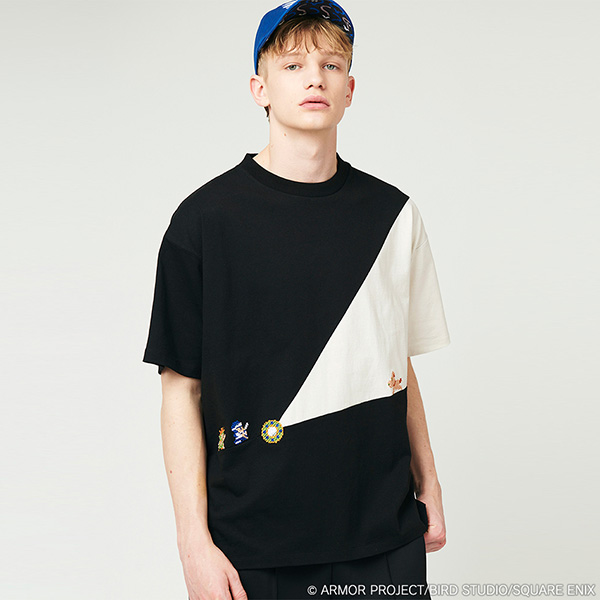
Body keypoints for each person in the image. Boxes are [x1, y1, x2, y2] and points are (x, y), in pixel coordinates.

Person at [142, 1, 451, 598]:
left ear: (350, 89)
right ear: (259, 88)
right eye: (293, 65)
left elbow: (394, 363)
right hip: (253, 548)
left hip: (383, 541)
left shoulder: (393, 215)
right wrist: (193, 545)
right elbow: (181, 388)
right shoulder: (202, 223)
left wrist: (429, 483)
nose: (315, 78)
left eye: (332, 65)